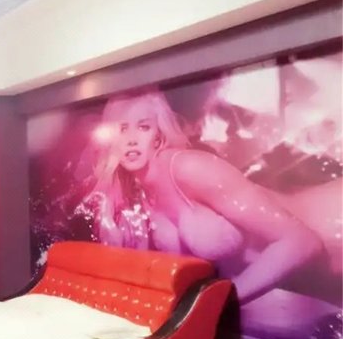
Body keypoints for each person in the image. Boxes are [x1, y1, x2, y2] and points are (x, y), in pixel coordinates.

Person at [81, 88, 337, 306]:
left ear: (158, 133)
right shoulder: (139, 191)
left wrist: (217, 302)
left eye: (143, 127)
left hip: (333, 228)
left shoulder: (188, 167)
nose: (131, 140)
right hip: (313, 285)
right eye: (122, 129)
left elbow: (302, 242)